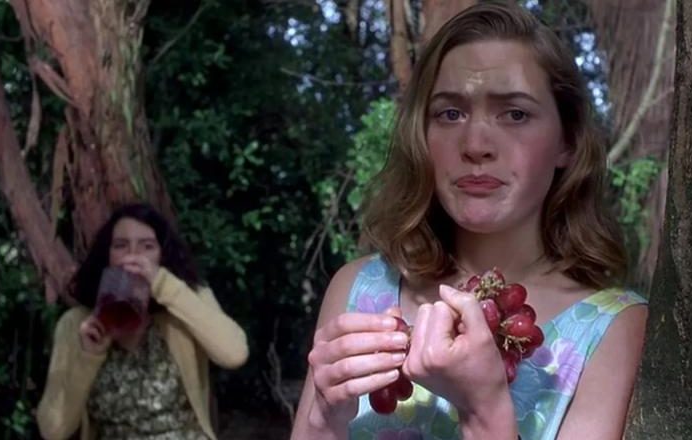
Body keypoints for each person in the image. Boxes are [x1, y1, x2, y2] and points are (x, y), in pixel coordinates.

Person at [292, 2, 648, 439]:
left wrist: (485, 413)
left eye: (515, 114)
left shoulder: (613, 329)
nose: (476, 144)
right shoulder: (357, 289)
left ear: (567, 142)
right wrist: (322, 421)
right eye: (450, 113)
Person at [36, 203, 248, 440]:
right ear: (107, 257)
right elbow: (53, 430)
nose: (132, 256)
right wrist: (88, 357)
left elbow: (235, 354)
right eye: (121, 246)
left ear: (162, 256)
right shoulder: (78, 324)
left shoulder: (186, 303)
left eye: (147, 246)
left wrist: (162, 283)